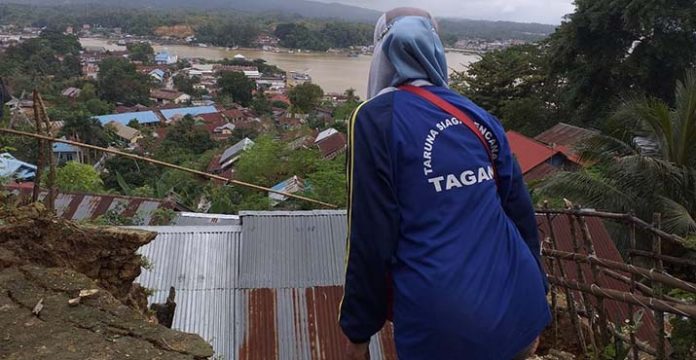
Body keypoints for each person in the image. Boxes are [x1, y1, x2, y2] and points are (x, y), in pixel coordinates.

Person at [339, 7, 551, 360]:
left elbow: (370, 233)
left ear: (383, 51)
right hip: (519, 304)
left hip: (445, 325)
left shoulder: (375, 119)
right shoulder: (477, 115)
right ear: (435, 49)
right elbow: (520, 213)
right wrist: (538, 293)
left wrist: (357, 330)